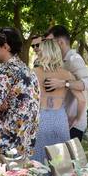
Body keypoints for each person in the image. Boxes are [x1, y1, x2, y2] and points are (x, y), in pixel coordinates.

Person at [0, 27, 40, 158]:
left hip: (5, 146)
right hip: (25, 144)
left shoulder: (4, 72)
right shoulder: (27, 71)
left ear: (5, 47)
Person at [44, 25, 88, 140]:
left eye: (51, 43)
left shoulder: (74, 60)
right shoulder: (59, 61)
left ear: (60, 42)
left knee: (69, 158)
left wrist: (64, 83)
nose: (48, 47)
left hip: (73, 124)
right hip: (63, 121)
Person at [31, 37, 70, 165]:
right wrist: (76, 117)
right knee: (61, 161)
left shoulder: (33, 73)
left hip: (41, 119)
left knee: (40, 159)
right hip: (60, 119)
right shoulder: (67, 75)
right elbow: (81, 99)